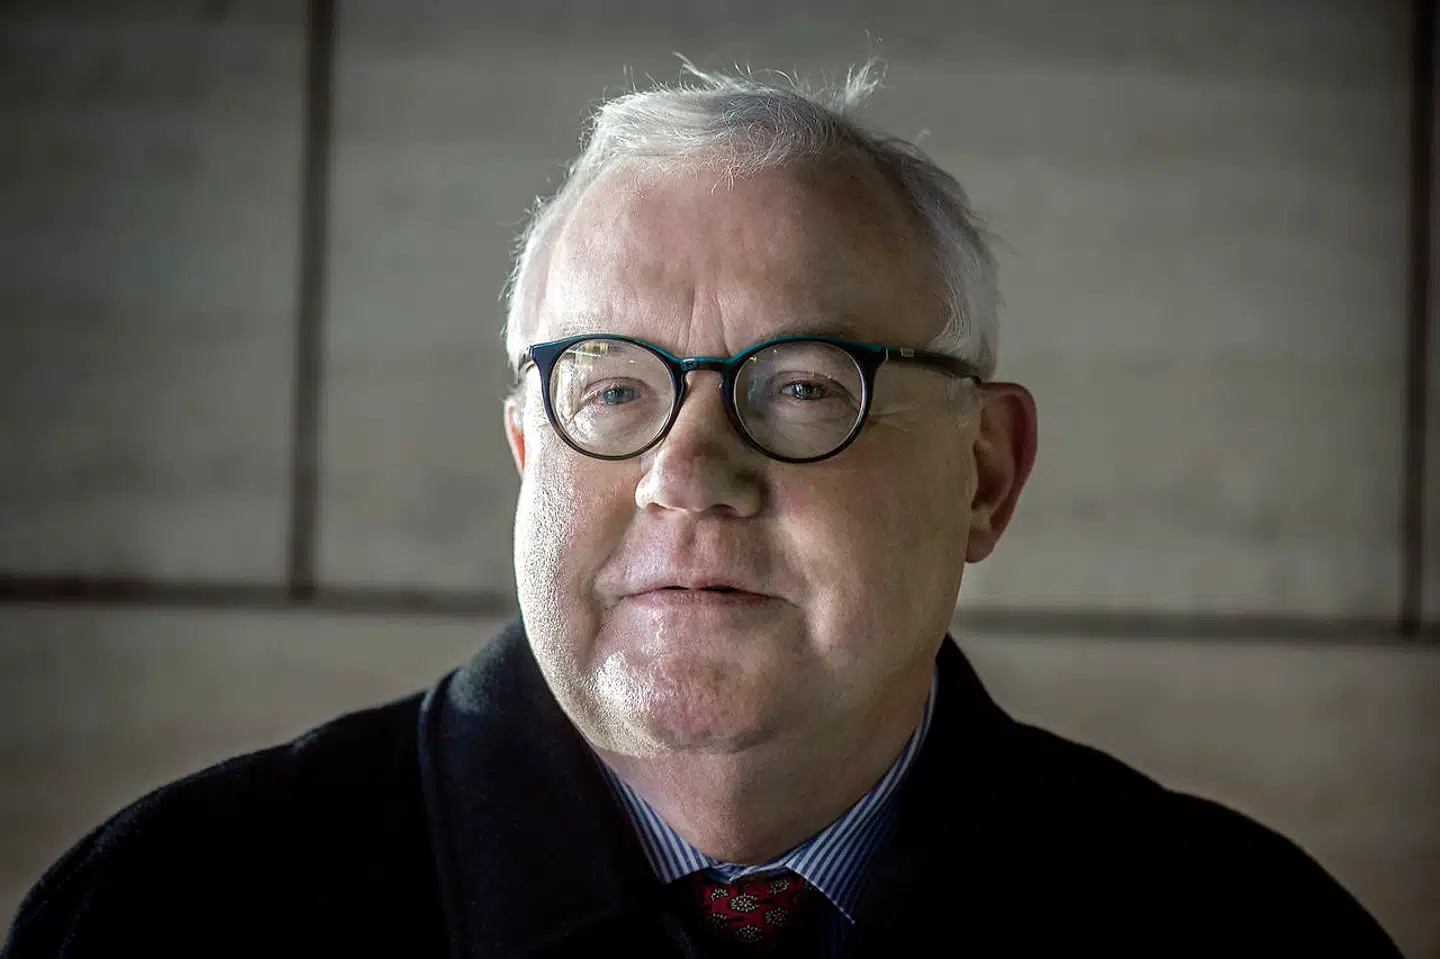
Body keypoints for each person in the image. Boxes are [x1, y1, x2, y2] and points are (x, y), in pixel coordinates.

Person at [4, 63, 1399, 958]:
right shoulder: (163, 921)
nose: (687, 470)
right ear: (527, 453)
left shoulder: (1249, 937)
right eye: (611, 390)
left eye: (802, 387)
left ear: (986, 472)